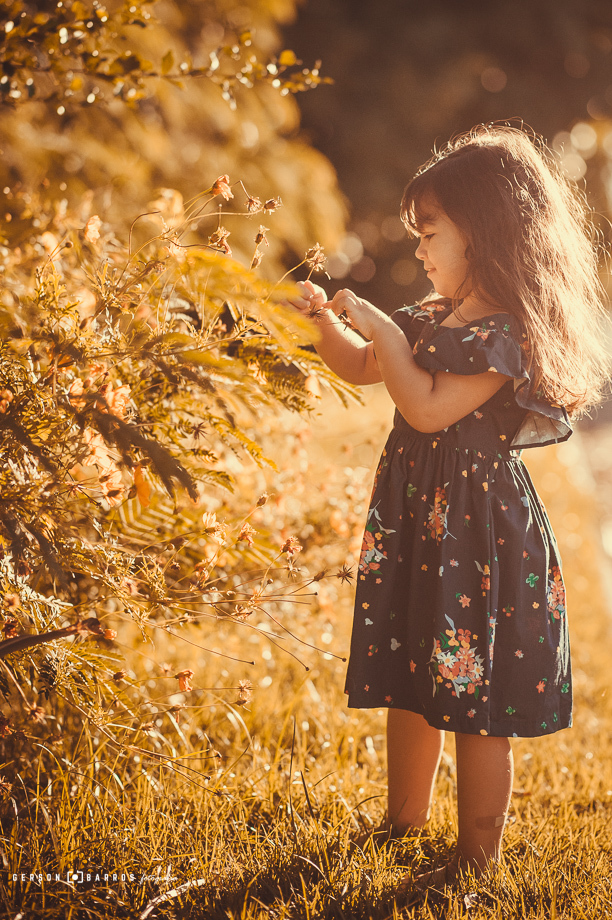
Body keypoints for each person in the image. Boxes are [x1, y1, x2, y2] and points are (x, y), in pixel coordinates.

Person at [289, 124, 610, 895]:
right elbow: (368, 367)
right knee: (412, 668)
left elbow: (429, 409)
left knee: (475, 695)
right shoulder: (433, 316)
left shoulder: (503, 337)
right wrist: (328, 325)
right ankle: (402, 821)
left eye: (431, 232)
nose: (422, 249)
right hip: (417, 520)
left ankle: (475, 857)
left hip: (477, 534)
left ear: (489, 231)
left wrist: (392, 334)